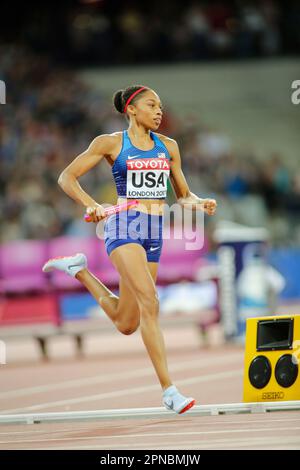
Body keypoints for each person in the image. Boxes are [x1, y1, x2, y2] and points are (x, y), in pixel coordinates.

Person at [42, 85, 217, 414]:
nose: (159, 111)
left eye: (161, 106)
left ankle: (78, 270)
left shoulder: (169, 147)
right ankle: (169, 390)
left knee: (127, 322)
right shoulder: (110, 143)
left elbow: (182, 195)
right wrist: (92, 205)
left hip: (155, 231)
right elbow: (67, 177)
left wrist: (199, 202)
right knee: (150, 302)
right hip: (124, 227)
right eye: (152, 105)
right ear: (132, 110)